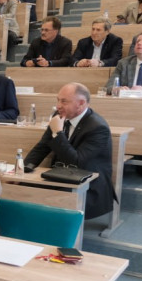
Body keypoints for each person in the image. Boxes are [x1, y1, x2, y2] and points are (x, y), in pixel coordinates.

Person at [23, 83, 115, 219]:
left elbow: (76, 162)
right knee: (20, 187)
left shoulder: (98, 127)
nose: (58, 106)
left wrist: (58, 133)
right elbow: (42, 147)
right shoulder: (59, 115)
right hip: (60, 174)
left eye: (64, 101)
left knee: (56, 199)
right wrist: (23, 170)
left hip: (88, 183)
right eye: (58, 100)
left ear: (81, 103)